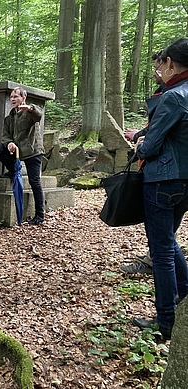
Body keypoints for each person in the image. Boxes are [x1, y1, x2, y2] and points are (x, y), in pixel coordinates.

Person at [132, 38, 188, 340]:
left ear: (169, 63)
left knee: (161, 250)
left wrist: (140, 146)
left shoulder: (174, 96)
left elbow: (151, 145)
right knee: (168, 241)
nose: (160, 69)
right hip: (184, 181)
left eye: (162, 62)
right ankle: (185, 294)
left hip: (163, 180)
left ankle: (166, 321)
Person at [120, 51, 165, 275]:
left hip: (164, 172)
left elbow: (160, 129)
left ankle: (155, 262)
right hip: (160, 168)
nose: (155, 72)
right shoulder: (165, 92)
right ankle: (153, 258)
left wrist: (141, 142)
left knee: (162, 235)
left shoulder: (173, 95)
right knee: (160, 232)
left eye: (158, 67)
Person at [0, 87, 45, 225]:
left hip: (33, 152)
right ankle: (14, 170)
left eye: (16, 96)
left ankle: (40, 215)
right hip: (17, 152)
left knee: (35, 182)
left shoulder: (29, 113)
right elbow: (5, 135)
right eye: (11, 97)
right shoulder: (9, 118)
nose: (13, 99)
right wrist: (9, 143)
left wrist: (30, 108)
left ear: (23, 98)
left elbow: (39, 115)